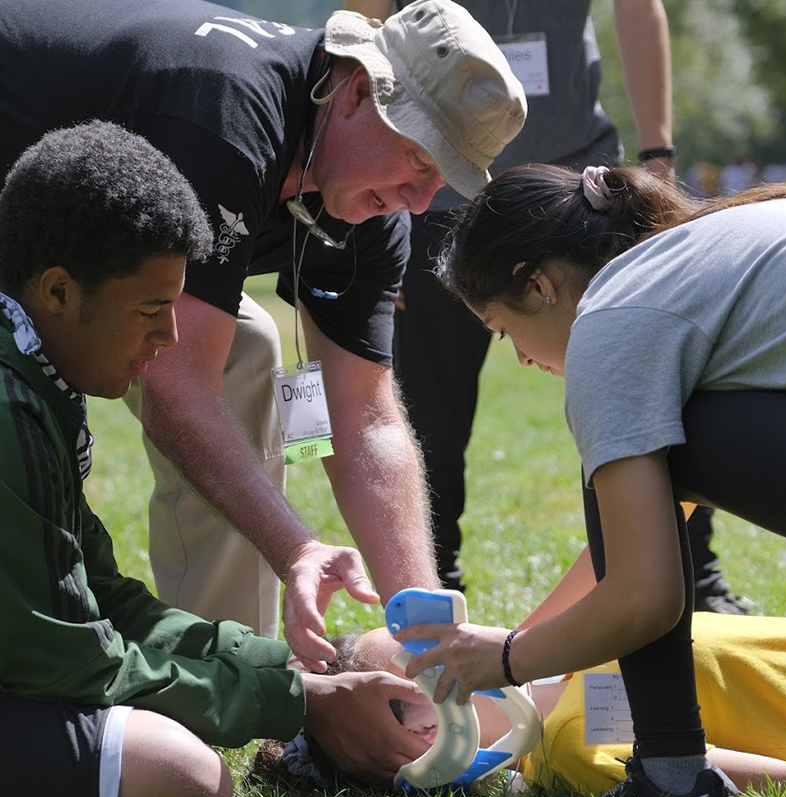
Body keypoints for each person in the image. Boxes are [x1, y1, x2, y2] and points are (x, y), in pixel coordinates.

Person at [0, 0, 527, 665]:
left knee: (244, 354)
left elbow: (365, 419)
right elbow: (175, 387)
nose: (420, 200)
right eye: (419, 158)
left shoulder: (370, 206)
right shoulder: (228, 110)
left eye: (441, 178)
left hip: (60, 251)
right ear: (357, 90)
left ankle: (227, 674)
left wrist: (425, 626)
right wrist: (298, 550)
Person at [0, 120, 437, 797]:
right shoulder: (9, 410)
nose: (171, 336)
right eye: (150, 308)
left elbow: (101, 598)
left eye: (175, 306)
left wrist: (287, 670)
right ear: (57, 291)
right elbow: (69, 665)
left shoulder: (38, 373)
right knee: (179, 773)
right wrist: (298, 702)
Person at [391, 164, 786, 797]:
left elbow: (644, 595)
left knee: (650, 455)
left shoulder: (610, 318)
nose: (523, 359)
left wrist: (507, 659)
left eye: (504, 331)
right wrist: (516, 661)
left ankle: (670, 776)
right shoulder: (705, 245)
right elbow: (650, 532)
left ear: (542, 285)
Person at [345, 0, 742, 617]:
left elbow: (640, 11)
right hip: (430, 187)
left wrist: (657, 149)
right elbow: (367, 26)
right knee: (428, 403)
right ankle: (432, 584)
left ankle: (696, 575)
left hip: (577, 187)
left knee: (649, 382)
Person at [266, 613, 786, 796]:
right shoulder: (570, 746)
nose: (447, 641)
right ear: (426, 742)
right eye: (422, 663)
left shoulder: (577, 642)